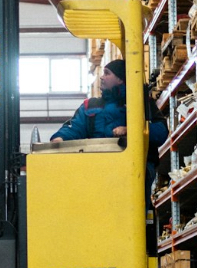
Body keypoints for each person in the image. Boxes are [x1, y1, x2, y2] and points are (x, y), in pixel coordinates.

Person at [50, 59, 168, 214]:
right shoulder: (90, 105)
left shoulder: (141, 104)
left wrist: (131, 130)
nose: (102, 77)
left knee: (133, 208)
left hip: (135, 168)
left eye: (107, 73)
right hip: (98, 167)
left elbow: (161, 132)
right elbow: (75, 127)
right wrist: (60, 139)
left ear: (120, 79)